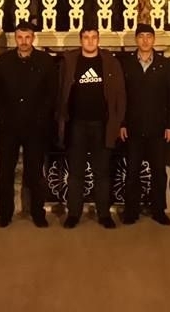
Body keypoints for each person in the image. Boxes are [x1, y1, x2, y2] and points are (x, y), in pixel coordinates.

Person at [56, 25, 126, 228]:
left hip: (102, 125)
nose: (90, 41)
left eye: (93, 37)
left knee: (102, 172)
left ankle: (104, 214)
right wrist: (60, 119)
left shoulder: (110, 62)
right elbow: (60, 92)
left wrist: (118, 121)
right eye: (86, 37)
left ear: (98, 39)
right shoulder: (69, 61)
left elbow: (120, 94)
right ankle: (74, 214)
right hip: (76, 124)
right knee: (75, 172)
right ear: (81, 40)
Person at [0, 21, 58, 227]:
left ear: (33, 38)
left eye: (27, 37)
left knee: (35, 172)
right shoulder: (3, 62)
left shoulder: (45, 62)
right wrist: (3, 116)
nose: (24, 41)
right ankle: (5, 214)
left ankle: (38, 213)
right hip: (9, 127)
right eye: (20, 37)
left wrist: (41, 118)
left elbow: (51, 94)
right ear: (15, 38)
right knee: (5, 172)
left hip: (35, 127)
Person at [118, 23, 170, 225]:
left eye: (149, 36)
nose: (145, 40)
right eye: (141, 36)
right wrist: (122, 123)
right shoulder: (126, 64)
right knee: (132, 171)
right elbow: (121, 97)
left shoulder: (165, 65)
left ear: (154, 39)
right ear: (136, 39)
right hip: (133, 127)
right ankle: (131, 211)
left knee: (159, 172)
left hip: (158, 127)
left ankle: (158, 210)